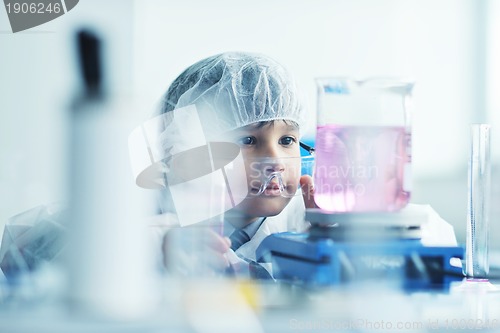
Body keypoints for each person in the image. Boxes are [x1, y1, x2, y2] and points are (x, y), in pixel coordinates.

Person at [146, 51, 314, 277]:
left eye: (287, 140)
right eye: (247, 140)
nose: (276, 162)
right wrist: (168, 256)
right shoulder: (156, 239)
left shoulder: (305, 227)